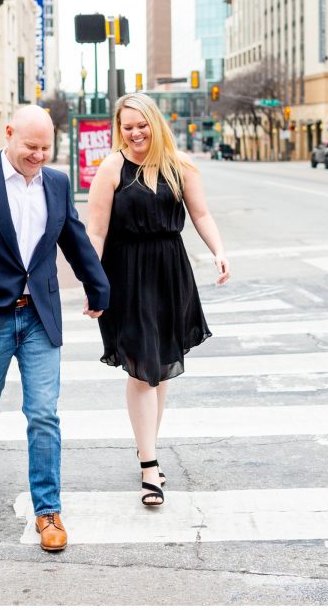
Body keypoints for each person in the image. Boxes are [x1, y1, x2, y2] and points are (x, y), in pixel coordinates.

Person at [0, 105, 109, 551]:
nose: (39, 156)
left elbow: (74, 238)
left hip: (39, 317)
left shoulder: (57, 183)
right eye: (31, 146)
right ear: (9, 134)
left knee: (43, 414)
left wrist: (98, 285)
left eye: (46, 147)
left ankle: (47, 511)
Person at [87, 93, 230, 508]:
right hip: (126, 274)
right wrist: (92, 281)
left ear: (155, 123)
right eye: (127, 126)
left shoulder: (180, 166)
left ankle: (145, 446)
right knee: (142, 371)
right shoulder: (112, 167)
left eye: (141, 125)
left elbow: (201, 215)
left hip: (170, 270)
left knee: (160, 366)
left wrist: (219, 251)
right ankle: (150, 465)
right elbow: (95, 231)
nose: (134, 133)